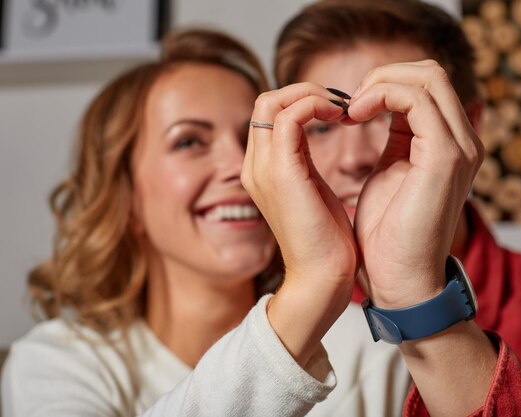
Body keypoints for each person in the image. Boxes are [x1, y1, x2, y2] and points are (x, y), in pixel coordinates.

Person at [1, 29, 381, 416]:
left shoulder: (371, 349)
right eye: (189, 142)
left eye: (251, 138)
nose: (240, 165)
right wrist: (311, 289)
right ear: (125, 196)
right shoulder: (56, 364)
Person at [271, 0, 521, 416]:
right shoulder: (256, 308)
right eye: (322, 126)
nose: (351, 158)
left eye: (390, 116)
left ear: (467, 127)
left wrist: (419, 299)